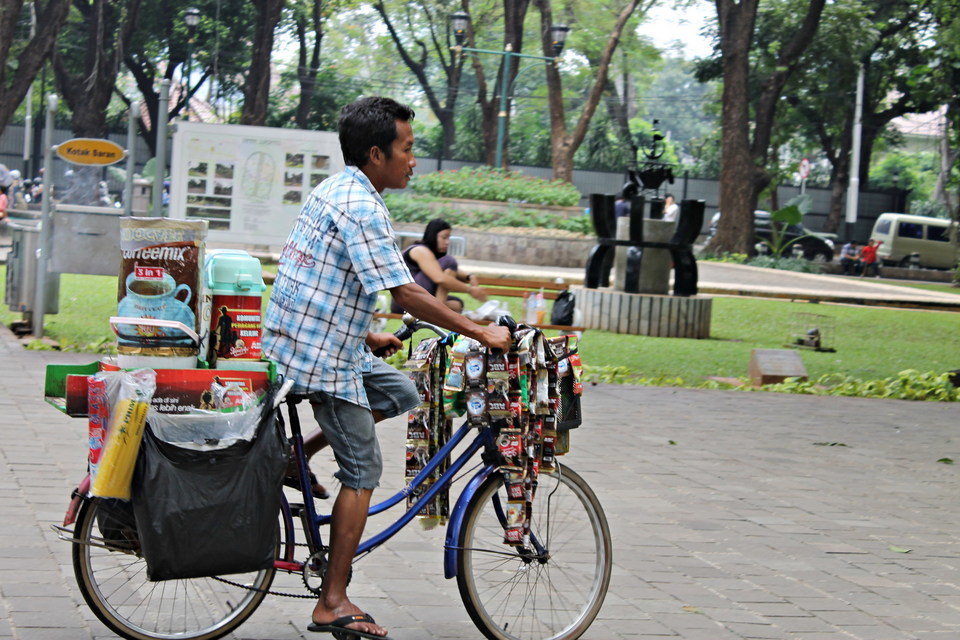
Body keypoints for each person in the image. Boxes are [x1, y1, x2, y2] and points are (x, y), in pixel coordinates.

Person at [262, 96, 510, 640]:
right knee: (363, 472)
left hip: (313, 339)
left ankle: (295, 455)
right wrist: (478, 331)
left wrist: (366, 333)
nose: (413, 159)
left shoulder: (340, 187)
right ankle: (332, 600)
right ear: (376, 153)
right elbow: (404, 292)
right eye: (407, 149)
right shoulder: (363, 205)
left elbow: (332, 275)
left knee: (400, 391)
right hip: (319, 357)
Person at [390, 218, 487, 314]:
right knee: (449, 261)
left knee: (457, 304)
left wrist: (469, 276)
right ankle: (439, 310)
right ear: (433, 236)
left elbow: (444, 269)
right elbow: (440, 278)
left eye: (449, 238)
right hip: (406, 303)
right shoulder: (420, 251)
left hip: (410, 302)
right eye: (444, 237)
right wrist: (470, 290)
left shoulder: (430, 254)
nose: (447, 242)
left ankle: (438, 308)